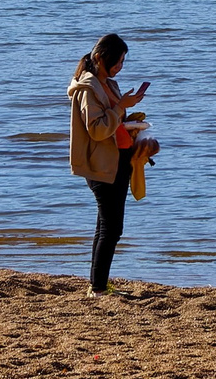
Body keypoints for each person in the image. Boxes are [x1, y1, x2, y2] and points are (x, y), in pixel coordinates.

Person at [68, 34, 158, 296]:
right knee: (112, 227)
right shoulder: (87, 89)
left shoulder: (108, 84)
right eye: (117, 62)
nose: (120, 67)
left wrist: (130, 118)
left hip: (118, 158)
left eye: (122, 62)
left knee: (105, 226)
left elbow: (113, 123)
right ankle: (97, 288)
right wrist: (121, 107)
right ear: (99, 58)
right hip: (101, 163)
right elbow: (96, 130)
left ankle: (98, 284)